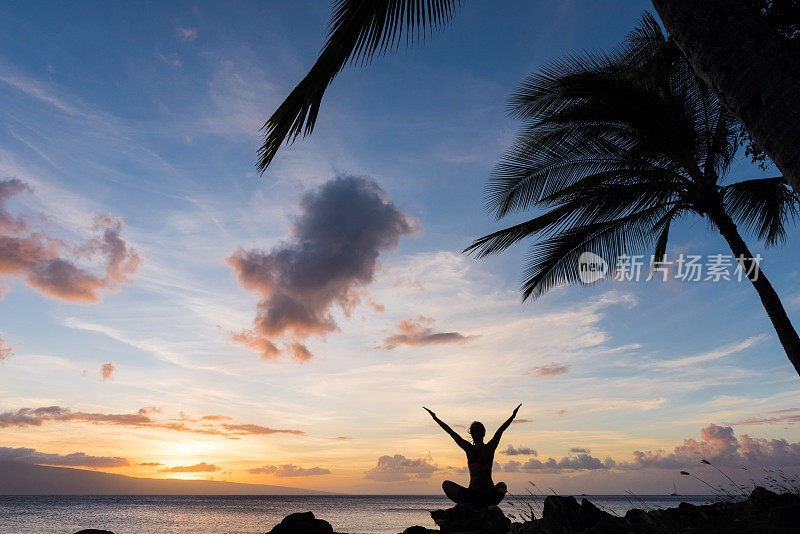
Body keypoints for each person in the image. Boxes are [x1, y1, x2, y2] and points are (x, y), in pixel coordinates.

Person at [423, 403, 521, 508]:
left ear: (471, 434)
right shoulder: (490, 448)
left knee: (446, 484)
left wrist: (435, 418)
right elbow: (501, 430)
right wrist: (513, 416)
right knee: (502, 485)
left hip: (473, 497)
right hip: (489, 497)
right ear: (484, 433)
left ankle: (467, 505)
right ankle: (488, 506)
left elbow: (450, 432)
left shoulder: (469, 448)